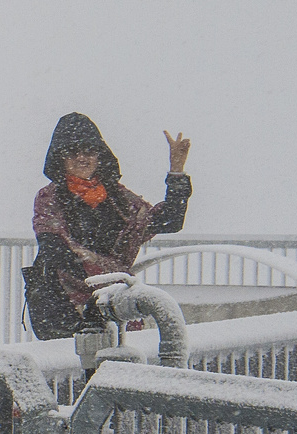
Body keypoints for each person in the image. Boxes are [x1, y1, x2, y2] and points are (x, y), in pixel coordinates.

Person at [26, 112, 192, 339]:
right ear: (60, 158)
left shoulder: (119, 199)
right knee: (74, 367)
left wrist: (177, 173)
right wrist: (103, 279)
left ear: (100, 155)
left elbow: (169, 221)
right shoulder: (50, 197)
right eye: (72, 152)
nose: (82, 158)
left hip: (112, 301)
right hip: (63, 305)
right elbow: (53, 247)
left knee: (120, 364)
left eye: (89, 151)